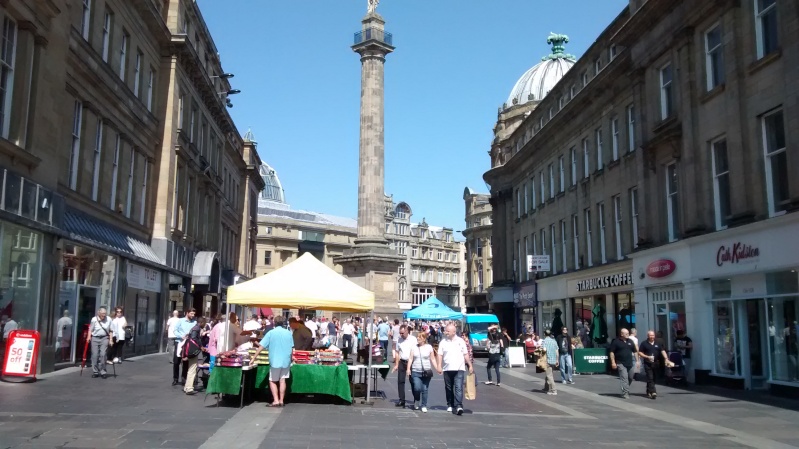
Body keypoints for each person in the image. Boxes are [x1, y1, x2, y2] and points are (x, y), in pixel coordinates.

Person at [250, 316, 293, 407]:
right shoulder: (288, 333)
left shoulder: (271, 333)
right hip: (286, 360)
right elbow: (291, 348)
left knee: (272, 381)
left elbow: (261, 346)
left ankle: (276, 400)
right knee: (282, 380)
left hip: (275, 360)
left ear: (274, 323)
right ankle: (281, 400)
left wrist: (254, 358)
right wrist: (291, 358)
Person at [437, 324, 472, 415]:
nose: (446, 332)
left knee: (458, 387)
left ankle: (458, 406)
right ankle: (450, 404)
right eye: (445, 331)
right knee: (448, 388)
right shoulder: (443, 342)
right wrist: (439, 365)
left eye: (448, 331)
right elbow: (440, 354)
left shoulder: (460, 341)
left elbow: (465, 354)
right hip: (447, 368)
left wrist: (470, 365)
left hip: (459, 368)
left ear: (454, 332)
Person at [406, 331, 439, 413]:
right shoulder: (414, 347)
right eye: (417, 337)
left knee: (425, 389)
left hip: (426, 371)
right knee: (417, 388)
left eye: (420, 337)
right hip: (416, 371)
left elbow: (432, 359)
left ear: (424, 339)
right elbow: (410, 358)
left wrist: (437, 368)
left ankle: (424, 405)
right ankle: (417, 399)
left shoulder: (429, 347)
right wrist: (408, 369)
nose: (418, 339)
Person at [638, 330, 675, 399]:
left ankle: (649, 391)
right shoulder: (644, 343)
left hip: (656, 363)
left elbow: (662, 350)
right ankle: (653, 392)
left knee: (654, 378)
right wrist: (647, 357)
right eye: (650, 335)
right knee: (650, 377)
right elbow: (640, 352)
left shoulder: (657, 343)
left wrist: (666, 358)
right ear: (648, 336)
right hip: (647, 363)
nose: (652, 337)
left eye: (653, 335)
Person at [609, 328, 638, 399]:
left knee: (630, 377)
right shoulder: (616, 342)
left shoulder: (630, 341)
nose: (628, 335)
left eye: (628, 333)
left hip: (630, 362)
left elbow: (635, 351)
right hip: (620, 362)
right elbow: (612, 352)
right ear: (622, 334)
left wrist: (637, 361)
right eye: (626, 334)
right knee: (624, 378)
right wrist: (613, 362)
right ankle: (625, 393)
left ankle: (626, 388)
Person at [87, 307, 114, 379]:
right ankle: (95, 371)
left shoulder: (109, 319)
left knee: (103, 354)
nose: (104, 315)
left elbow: (111, 330)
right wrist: (88, 337)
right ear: (98, 313)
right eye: (102, 314)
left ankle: (103, 371)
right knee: (95, 355)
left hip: (104, 338)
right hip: (95, 338)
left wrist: (111, 340)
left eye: (105, 314)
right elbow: (90, 330)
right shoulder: (94, 319)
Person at [172, 308, 196, 386]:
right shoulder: (181, 321)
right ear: (187, 313)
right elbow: (175, 330)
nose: (193, 315)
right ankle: (175, 378)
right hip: (179, 342)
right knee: (176, 361)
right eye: (191, 314)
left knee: (186, 361)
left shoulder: (194, 322)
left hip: (188, 344)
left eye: (194, 314)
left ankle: (184, 378)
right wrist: (180, 336)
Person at [392, 325, 414, 408]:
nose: (401, 335)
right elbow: (397, 352)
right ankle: (402, 400)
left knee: (413, 381)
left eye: (402, 333)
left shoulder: (413, 339)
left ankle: (416, 399)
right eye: (400, 333)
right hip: (402, 361)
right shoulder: (399, 340)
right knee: (400, 381)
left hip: (411, 362)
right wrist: (396, 364)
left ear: (407, 331)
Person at [183, 316, 204, 395]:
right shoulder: (196, 329)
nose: (204, 324)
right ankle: (189, 388)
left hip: (190, 350)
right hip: (193, 351)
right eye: (204, 323)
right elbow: (194, 338)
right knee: (192, 369)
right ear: (201, 322)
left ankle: (187, 386)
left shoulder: (194, 328)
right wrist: (200, 346)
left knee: (191, 368)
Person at [541, 329, 559, 395]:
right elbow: (557, 351)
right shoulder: (554, 341)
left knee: (549, 375)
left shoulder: (544, 341)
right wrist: (557, 360)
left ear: (544, 334)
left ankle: (553, 390)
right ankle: (546, 388)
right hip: (553, 360)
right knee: (549, 373)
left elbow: (544, 350)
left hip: (547, 360)